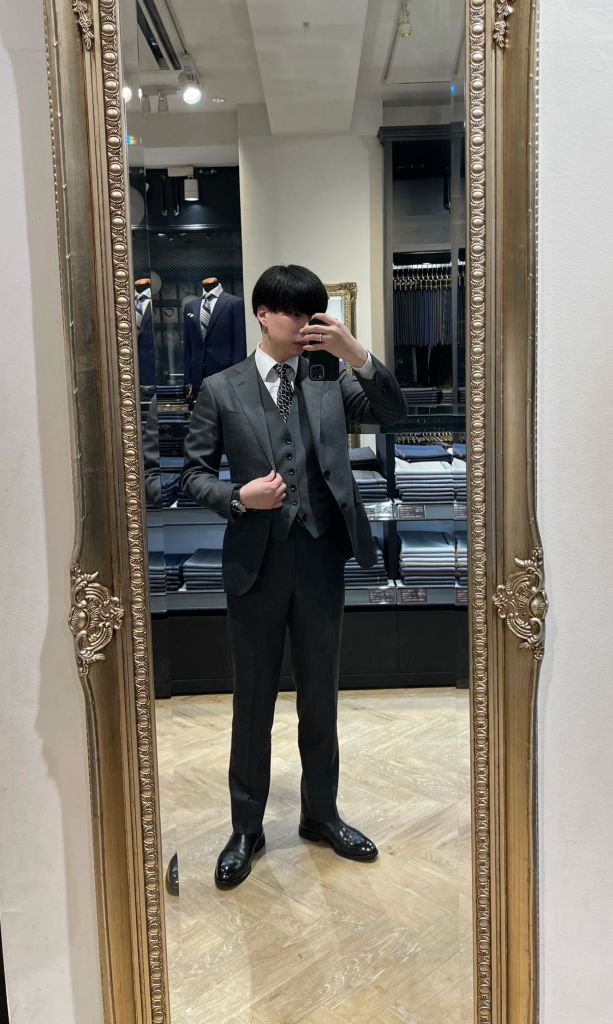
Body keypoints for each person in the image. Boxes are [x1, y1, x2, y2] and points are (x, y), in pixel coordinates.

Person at [180, 264, 406, 888]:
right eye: (294, 312)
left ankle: (321, 814)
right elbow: (192, 475)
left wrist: (355, 352)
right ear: (263, 314)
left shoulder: (330, 379)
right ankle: (246, 828)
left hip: (321, 559)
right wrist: (238, 496)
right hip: (255, 564)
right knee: (252, 700)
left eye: (313, 312)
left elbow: (392, 411)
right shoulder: (221, 388)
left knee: (321, 695)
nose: (305, 323)